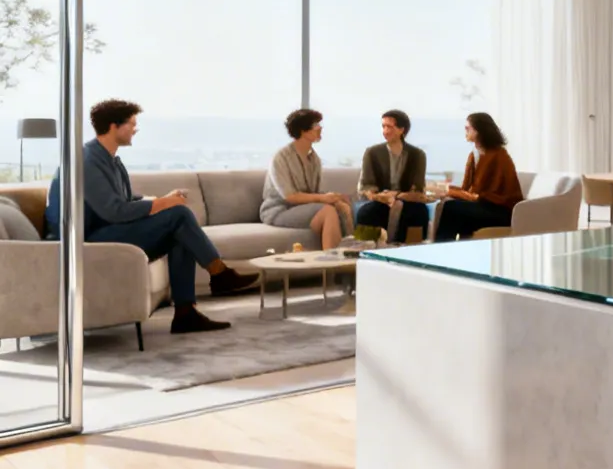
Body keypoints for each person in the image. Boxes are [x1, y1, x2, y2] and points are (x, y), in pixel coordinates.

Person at [43, 99, 261, 333]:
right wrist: (164, 203)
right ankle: (220, 273)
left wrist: (158, 199)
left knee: (180, 231)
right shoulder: (87, 161)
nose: (136, 129)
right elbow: (114, 211)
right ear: (114, 126)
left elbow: (124, 199)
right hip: (87, 240)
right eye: (132, 124)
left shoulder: (109, 159)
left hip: (104, 229)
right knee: (179, 214)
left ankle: (186, 314)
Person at [262, 109, 354, 250]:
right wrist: (324, 199)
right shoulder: (281, 158)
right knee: (328, 211)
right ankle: (332, 264)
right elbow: (290, 196)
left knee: (341, 206)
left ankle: (344, 258)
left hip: (304, 209)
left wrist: (335, 198)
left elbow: (317, 193)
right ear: (303, 131)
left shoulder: (314, 159)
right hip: (280, 211)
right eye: (316, 124)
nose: (320, 128)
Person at [434, 112, 522, 241]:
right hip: (483, 205)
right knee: (449, 206)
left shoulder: (499, 155)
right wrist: (447, 191)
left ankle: (440, 249)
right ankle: (446, 250)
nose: (465, 130)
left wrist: (449, 191)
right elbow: (468, 190)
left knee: (451, 207)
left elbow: (484, 195)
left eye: (468, 128)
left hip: (500, 210)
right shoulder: (474, 154)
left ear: (479, 131)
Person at [355, 109, 430, 243]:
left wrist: (396, 195)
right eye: (383, 126)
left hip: (407, 200)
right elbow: (367, 184)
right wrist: (380, 196)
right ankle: (364, 250)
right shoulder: (372, 152)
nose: (385, 131)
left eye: (389, 127)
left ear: (402, 129)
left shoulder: (417, 155)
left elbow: (417, 188)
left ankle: (407, 251)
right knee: (367, 212)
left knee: (419, 212)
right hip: (380, 199)